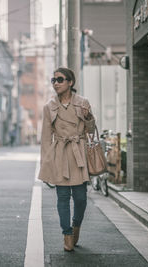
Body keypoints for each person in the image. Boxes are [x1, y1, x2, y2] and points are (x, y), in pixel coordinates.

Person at [38, 67, 96, 252]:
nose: (56, 83)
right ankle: (67, 233)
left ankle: (76, 225)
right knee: (62, 198)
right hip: (60, 154)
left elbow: (91, 132)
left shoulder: (82, 103)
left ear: (70, 82)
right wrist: (45, 167)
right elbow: (46, 138)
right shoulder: (49, 107)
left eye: (60, 79)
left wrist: (88, 118)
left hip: (78, 153)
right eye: (53, 80)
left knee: (80, 198)